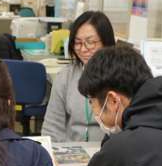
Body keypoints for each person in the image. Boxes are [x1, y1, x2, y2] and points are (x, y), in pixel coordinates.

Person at [41, 11, 116, 142]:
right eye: (78, 43)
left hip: (109, 152)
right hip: (70, 152)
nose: (83, 49)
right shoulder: (65, 77)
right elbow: (52, 126)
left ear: (106, 42)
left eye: (90, 42)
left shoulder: (120, 76)